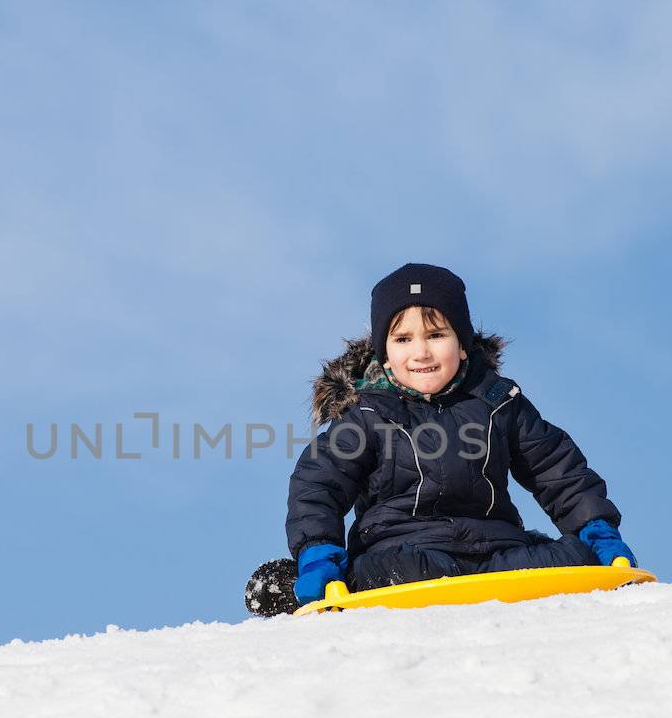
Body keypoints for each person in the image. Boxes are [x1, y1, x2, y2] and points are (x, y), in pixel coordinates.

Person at [244, 262, 636, 616]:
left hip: (496, 553)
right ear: (384, 354)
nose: (421, 352)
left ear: (462, 344)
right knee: (391, 571)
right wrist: (318, 553)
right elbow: (319, 484)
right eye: (403, 340)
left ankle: (563, 557)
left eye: (436, 334)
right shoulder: (366, 415)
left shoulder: (498, 403)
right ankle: (303, 581)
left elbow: (557, 469)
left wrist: (597, 533)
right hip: (402, 553)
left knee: (572, 557)